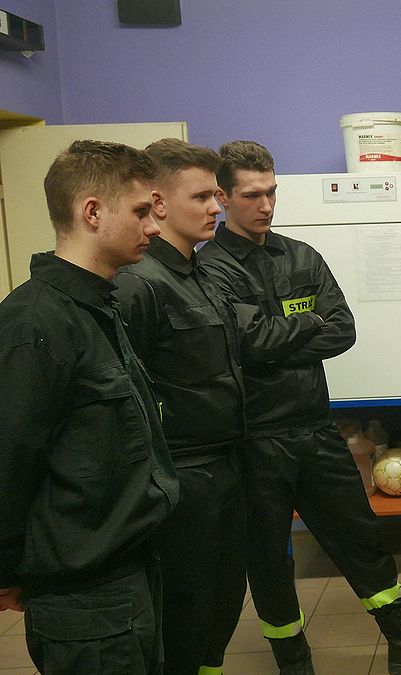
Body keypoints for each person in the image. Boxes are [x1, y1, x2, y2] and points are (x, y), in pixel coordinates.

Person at [196, 140, 401, 675]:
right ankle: (294, 662)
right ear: (224, 198)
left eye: (271, 191)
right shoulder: (211, 270)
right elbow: (247, 343)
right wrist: (307, 325)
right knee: (269, 559)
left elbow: (343, 329)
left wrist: (278, 338)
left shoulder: (301, 255)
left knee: (360, 537)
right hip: (255, 440)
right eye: (252, 195)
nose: (266, 205)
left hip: (314, 429)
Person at [0, 140, 179, 673]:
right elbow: (9, 461)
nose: (153, 226)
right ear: (93, 212)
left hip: (128, 571)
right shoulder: (34, 323)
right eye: (141, 211)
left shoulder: (100, 305)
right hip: (83, 595)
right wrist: (7, 570)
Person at [112, 138, 248, 675]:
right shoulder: (139, 283)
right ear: (159, 204)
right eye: (202, 198)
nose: (217, 207)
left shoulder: (199, 274)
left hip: (224, 468)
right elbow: (127, 400)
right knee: (184, 619)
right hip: (181, 479)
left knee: (220, 609)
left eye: (217, 196)